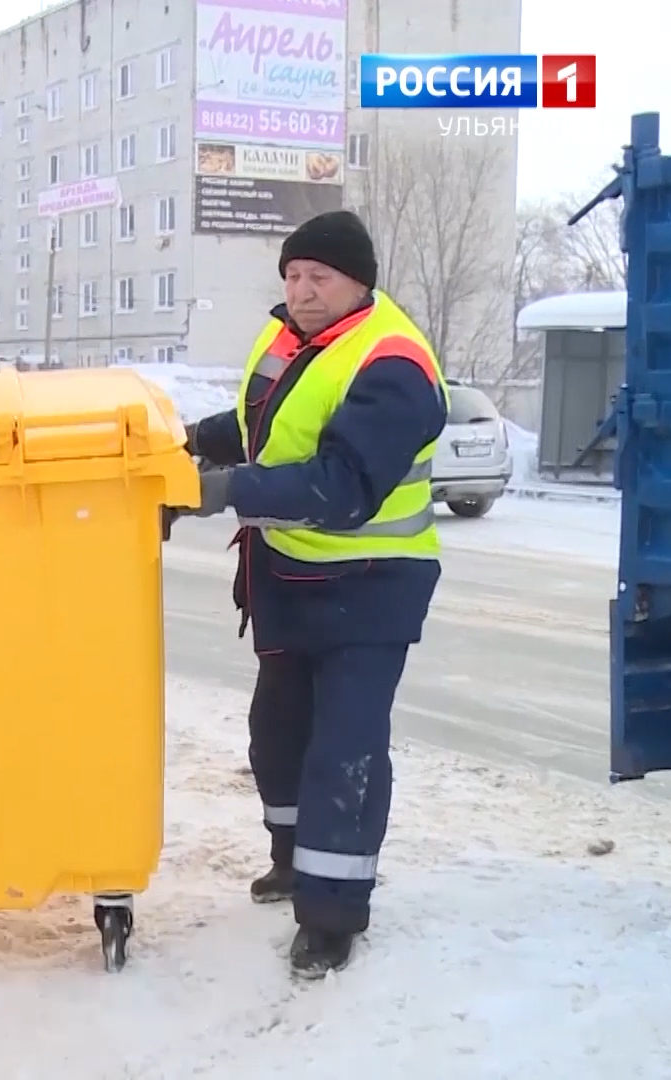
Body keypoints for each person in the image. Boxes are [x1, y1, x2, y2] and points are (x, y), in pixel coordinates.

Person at [177, 210, 448, 978]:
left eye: (318, 277)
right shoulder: (289, 338)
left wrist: (218, 491)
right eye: (293, 276)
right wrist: (186, 446)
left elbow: (341, 485)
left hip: (371, 585)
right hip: (293, 576)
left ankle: (333, 914)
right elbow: (257, 422)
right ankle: (295, 861)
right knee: (279, 732)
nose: (301, 290)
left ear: (358, 280)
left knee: (344, 749)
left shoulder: (393, 365)